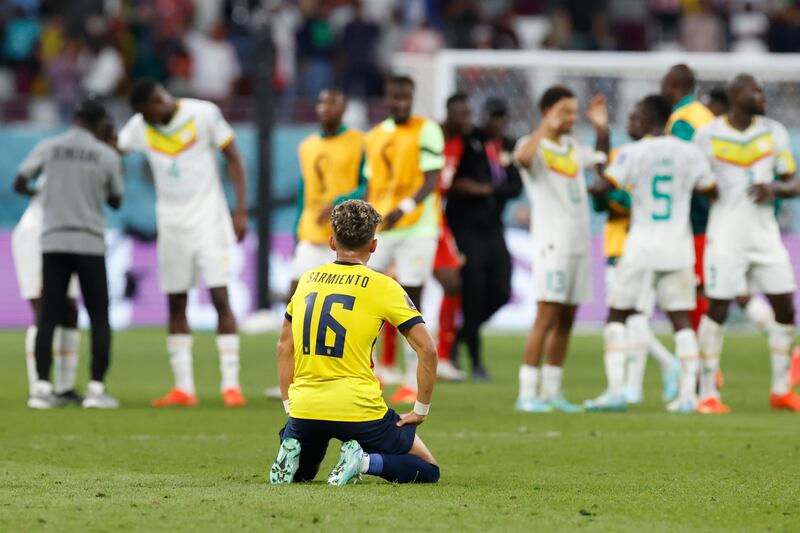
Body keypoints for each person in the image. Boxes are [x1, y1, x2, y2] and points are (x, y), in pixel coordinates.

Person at [269, 200, 440, 486]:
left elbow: (283, 347)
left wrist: (290, 406)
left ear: (331, 241)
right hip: (358, 407)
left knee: (305, 474)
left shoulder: (308, 280)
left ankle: (293, 447)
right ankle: (363, 461)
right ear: (374, 246)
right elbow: (428, 349)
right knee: (427, 468)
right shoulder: (383, 286)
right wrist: (420, 410)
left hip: (305, 407)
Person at [118, 79, 248, 408]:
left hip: (210, 220)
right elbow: (115, 147)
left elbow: (233, 158)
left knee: (220, 296)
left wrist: (240, 211)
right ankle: (184, 388)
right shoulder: (139, 125)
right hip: (171, 224)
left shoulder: (203, 114)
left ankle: (231, 385)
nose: (143, 120)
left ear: (157, 100)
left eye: (145, 113)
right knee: (176, 302)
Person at [586, 95, 715, 413]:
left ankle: (616, 391)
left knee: (618, 313)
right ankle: (688, 395)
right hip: (678, 246)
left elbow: (604, 187)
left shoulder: (633, 152)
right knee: (681, 319)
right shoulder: (690, 153)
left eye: (637, 115)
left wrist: (600, 176)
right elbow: (710, 189)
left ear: (646, 118)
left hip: (641, 245)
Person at [694, 74, 800, 413]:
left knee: (785, 307)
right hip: (725, 234)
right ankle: (707, 392)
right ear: (736, 95)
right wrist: (705, 186)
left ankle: (781, 389)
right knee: (719, 308)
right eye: (755, 90)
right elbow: (697, 182)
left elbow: (793, 182)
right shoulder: (707, 135)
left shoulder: (774, 132)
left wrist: (775, 189)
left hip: (765, 235)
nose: (762, 96)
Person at [15, 99, 123, 409]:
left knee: (49, 312)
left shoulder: (49, 147)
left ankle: (41, 388)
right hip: (88, 240)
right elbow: (116, 200)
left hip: (53, 239)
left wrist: (45, 195)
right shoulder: (105, 154)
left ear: (75, 118)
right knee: (99, 314)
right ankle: (96, 389)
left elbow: (20, 180)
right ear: (100, 123)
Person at [264, 88, 367, 400]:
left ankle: (354, 375)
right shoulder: (307, 146)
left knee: (353, 306)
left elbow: (367, 182)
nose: (325, 108)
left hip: (347, 233)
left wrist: (338, 203)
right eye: (321, 102)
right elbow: (303, 187)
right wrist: (298, 225)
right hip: (311, 234)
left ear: (344, 107)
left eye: (332, 102)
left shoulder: (359, 142)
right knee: (295, 299)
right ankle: (292, 375)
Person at [513, 86, 609, 413]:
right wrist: (546, 125)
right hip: (551, 241)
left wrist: (601, 128)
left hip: (579, 241)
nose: (573, 117)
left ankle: (552, 391)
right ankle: (527, 393)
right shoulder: (532, 144)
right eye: (566, 111)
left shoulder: (571, 146)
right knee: (546, 314)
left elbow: (601, 162)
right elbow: (522, 159)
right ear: (549, 112)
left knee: (568, 316)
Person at [591, 102, 681, 405]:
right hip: (618, 244)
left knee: (634, 317)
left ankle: (633, 385)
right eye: (628, 116)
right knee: (633, 318)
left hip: (641, 247)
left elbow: (628, 200)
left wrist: (615, 196)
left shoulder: (652, 159)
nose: (631, 121)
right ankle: (651, 375)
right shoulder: (621, 157)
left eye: (635, 116)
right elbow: (601, 203)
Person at [364, 75, 445, 404]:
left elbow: (432, 178)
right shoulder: (374, 136)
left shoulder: (427, 129)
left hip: (418, 229)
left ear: (412, 98)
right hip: (384, 229)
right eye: (394, 98)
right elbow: (373, 186)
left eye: (405, 98)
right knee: (364, 294)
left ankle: (414, 377)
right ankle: (368, 370)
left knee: (410, 298)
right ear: (387, 97)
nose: (399, 104)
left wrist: (405, 208)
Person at [445, 95, 522, 381]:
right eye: (492, 116)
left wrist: (482, 190)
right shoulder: (469, 140)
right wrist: (478, 189)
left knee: (502, 291)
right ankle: (475, 361)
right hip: (465, 227)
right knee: (473, 293)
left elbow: (514, 187)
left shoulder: (509, 146)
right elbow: (454, 182)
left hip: (493, 227)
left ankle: (457, 340)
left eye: (501, 117)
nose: (496, 122)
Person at [661, 64, 716, 332]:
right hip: (713, 209)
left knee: (692, 288)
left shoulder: (681, 119)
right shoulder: (705, 115)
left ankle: (702, 361)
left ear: (672, 84)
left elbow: (683, 166)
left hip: (694, 216)